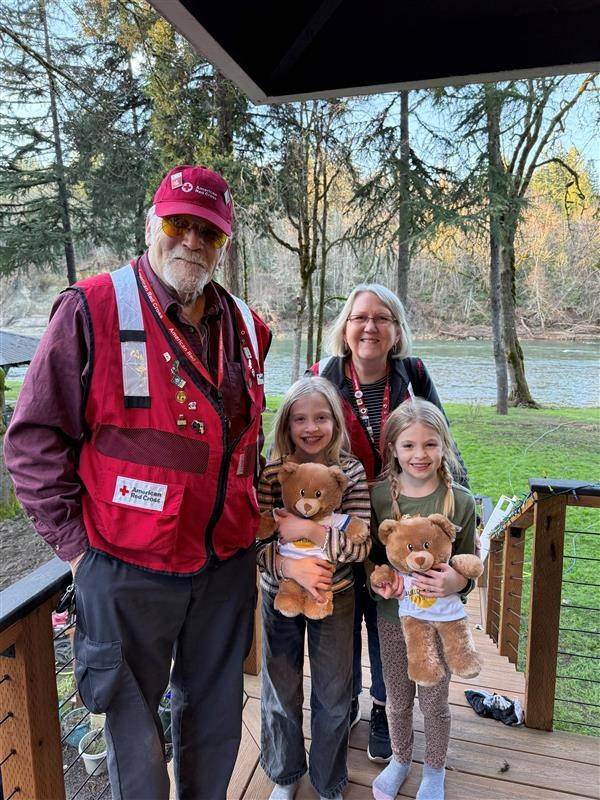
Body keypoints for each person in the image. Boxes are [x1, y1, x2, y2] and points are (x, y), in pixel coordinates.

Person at [3, 165, 271, 800]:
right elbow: (33, 441)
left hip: (224, 568)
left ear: (223, 242)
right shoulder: (91, 309)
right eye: (179, 223)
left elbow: (243, 444)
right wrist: (77, 550)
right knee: (131, 735)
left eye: (209, 231)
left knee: (216, 728)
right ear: (152, 224)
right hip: (125, 569)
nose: (192, 241)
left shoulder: (247, 328)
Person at [309, 284, 467, 762]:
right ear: (345, 327)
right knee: (342, 614)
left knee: (387, 615)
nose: (370, 327)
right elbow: (302, 433)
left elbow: (443, 437)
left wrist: (458, 499)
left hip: (399, 515)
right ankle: (344, 702)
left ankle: (383, 705)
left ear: (396, 331)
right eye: (360, 317)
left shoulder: (412, 374)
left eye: (382, 318)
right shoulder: (324, 375)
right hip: (340, 518)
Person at [257, 377, 371, 800]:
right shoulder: (274, 473)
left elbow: (360, 544)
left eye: (320, 417)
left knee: (334, 692)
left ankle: (328, 781)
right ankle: (285, 775)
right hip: (278, 593)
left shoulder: (350, 472)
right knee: (280, 688)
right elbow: (257, 538)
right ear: (286, 425)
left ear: (335, 421)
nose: (311, 428)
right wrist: (287, 564)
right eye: (300, 419)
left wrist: (308, 528)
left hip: (335, 595)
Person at [370, 398, 477, 800]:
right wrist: (380, 583)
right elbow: (371, 560)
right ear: (393, 449)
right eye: (409, 445)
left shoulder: (459, 501)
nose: (420, 455)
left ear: (444, 446)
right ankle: (400, 759)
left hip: (441, 623)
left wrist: (457, 584)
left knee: (434, 700)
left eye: (430, 444)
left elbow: (470, 563)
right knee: (397, 698)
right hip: (392, 619)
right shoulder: (380, 497)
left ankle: (434, 769)